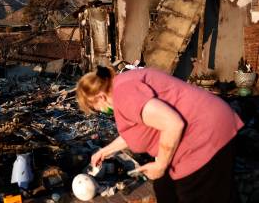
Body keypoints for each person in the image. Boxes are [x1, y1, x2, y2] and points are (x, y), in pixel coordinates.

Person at [76, 66, 243, 203]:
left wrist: (161, 164)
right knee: (165, 189)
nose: (98, 111)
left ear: (100, 97)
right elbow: (137, 132)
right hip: (201, 127)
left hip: (206, 133)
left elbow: (172, 123)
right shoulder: (122, 85)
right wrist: (104, 151)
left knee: (196, 192)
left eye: (94, 108)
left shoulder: (124, 95)